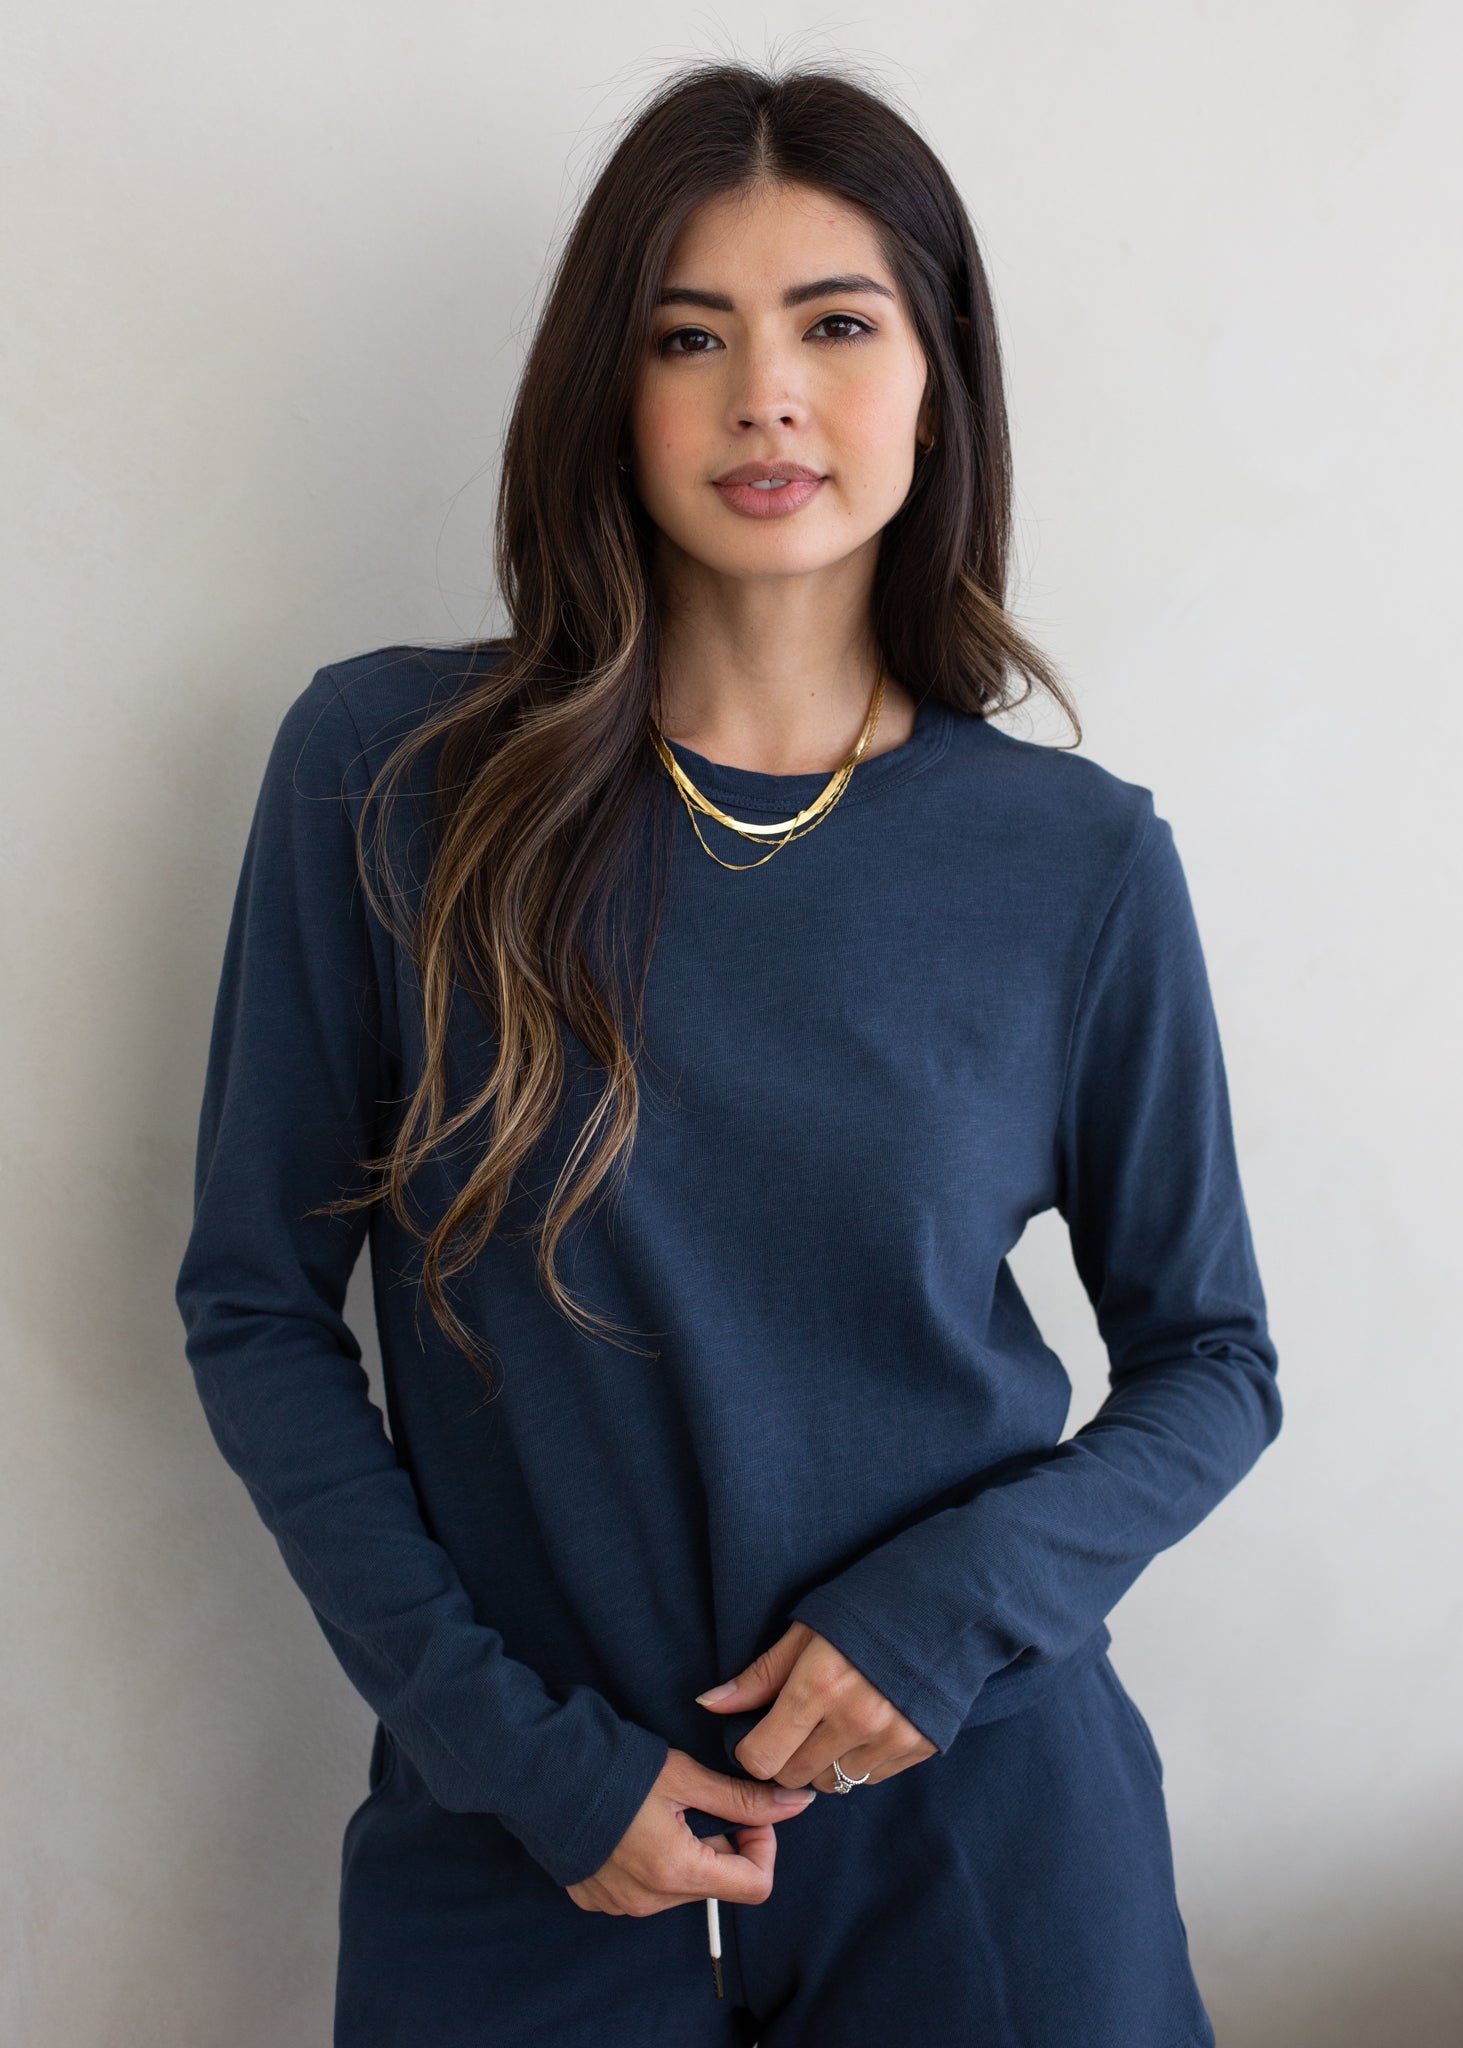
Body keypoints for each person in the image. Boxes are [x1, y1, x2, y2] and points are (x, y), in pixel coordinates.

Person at [174, 58, 1282, 2048]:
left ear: (936, 379)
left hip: (987, 1837)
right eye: (691, 336)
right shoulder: (390, 781)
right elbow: (255, 1304)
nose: (766, 394)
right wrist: (507, 1744)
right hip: (523, 1843)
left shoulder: (1074, 861)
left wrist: (940, 1617)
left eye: (837, 325)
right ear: (613, 390)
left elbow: (1213, 1362)